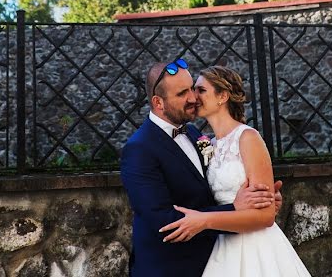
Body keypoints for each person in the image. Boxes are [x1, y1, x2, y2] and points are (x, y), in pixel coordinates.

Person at [120, 59, 283, 277]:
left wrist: (264, 201)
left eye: (192, 89)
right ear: (158, 103)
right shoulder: (139, 149)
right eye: (182, 93)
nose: (192, 98)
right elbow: (165, 222)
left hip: (222, 258)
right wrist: (235, 208)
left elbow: (209, 191)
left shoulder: (196, 135)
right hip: (170, 269)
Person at [160, 65, 311, 276]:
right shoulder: (207, 143)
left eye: (201, 90)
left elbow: (266, 216)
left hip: (255, 247)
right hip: (221, 246)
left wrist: (204, 220)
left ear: (222, 96)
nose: (194, 96)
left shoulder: (248, 138)